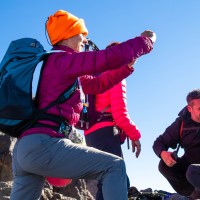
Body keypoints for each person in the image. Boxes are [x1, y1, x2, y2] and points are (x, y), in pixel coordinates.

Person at [10, 9, 156, 200]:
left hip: (23, 150)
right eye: (82, 34)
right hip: (43, 144)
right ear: (69, 35)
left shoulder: (52, 64)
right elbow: (108, 58)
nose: (85, 40)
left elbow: (96, 84)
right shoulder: (64, 60)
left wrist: (127, 67)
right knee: (114, 165)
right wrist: (146, 41)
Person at [83, 42, 141, 200]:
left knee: (105, 179)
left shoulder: (97, 74)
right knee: (115, 179)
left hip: (90, 133)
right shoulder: (115, 75)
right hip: (106, 133)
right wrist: (135, 136)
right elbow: (120, 113)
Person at [153, 89, 200, 200]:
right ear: (190, 108)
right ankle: (193, 194)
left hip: (195, 171)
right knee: (164, 165)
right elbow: (159, 143)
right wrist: (163, 153)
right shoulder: (181, 123)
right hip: (191, 174)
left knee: (192, 170)